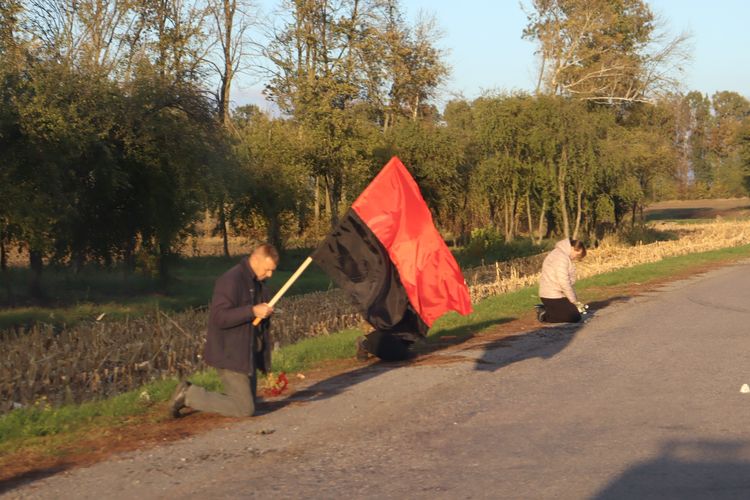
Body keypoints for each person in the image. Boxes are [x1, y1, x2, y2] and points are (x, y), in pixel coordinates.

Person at [169, 243, 279, 418]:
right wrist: (252, 311)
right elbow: (219, 317)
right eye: (267, 270)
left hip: (246, 353)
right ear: (256, 259)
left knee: (249, 402)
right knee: (245, 409)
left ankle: (201, 395)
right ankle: (189, 395)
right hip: (230, 352)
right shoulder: (231, 280)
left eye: (272, 270)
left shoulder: (259, 283)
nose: (270, 274)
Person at [537, 238, 587, 323]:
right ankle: (544, 315)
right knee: (574, 317)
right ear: (573, 248)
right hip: (551, 295)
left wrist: (574, 301)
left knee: (578, 313)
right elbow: (564, 282)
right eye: (577, 254)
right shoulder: (561, 258)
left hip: (559, 294)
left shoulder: (561, 255)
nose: (576, 257)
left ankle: (550, 309)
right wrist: (574, 301)